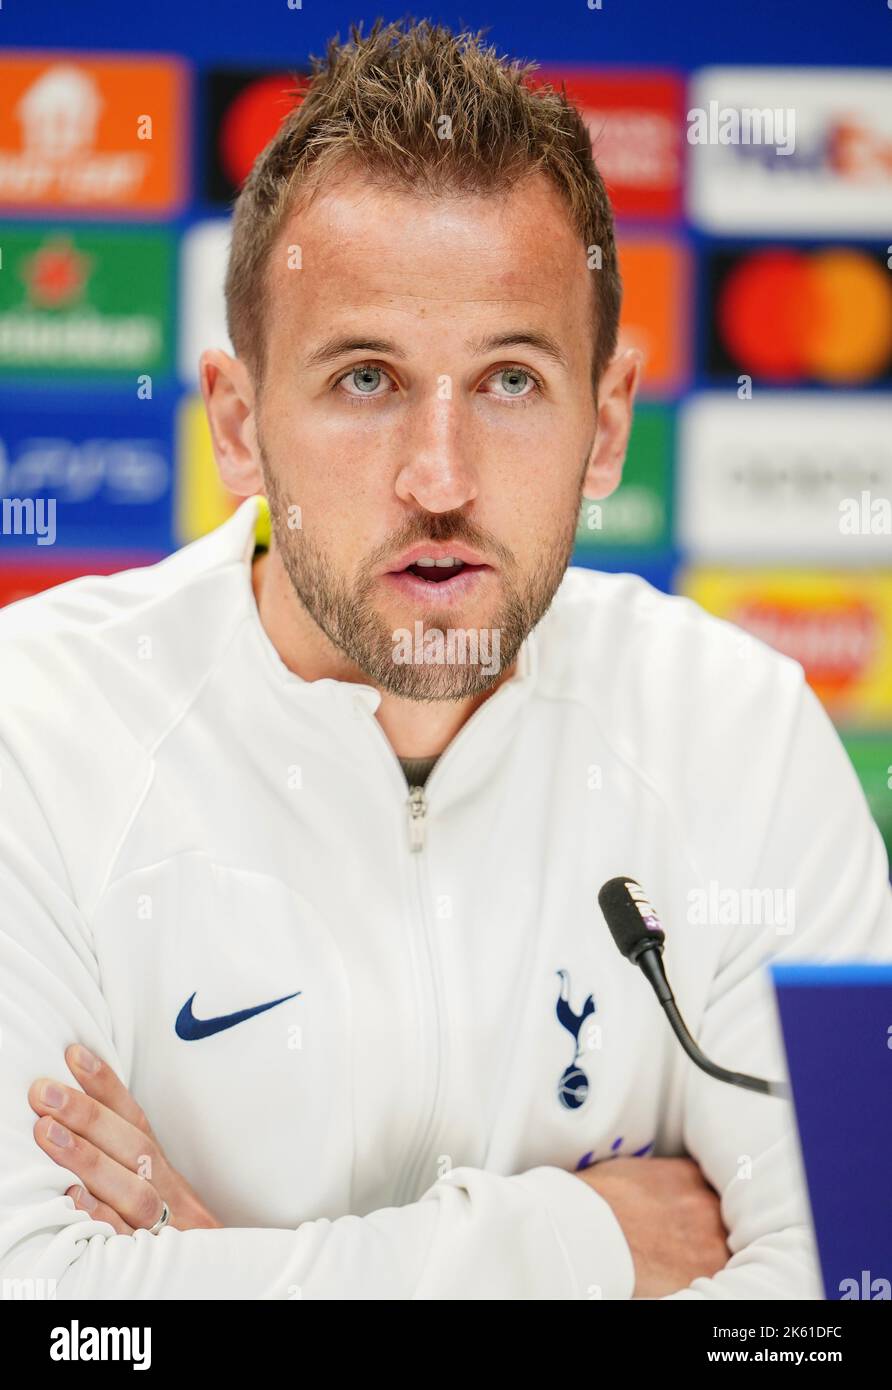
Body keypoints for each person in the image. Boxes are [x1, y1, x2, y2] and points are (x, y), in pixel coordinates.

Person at [1, 18, 890, 1301]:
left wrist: (222, 1279)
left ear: (605, 428)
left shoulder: (743, 732)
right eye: (365, 379)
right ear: (238, 425)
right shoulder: (36, 736)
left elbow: (848, 1293)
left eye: (511, 382)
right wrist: (575, 1247)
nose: (440, 478)